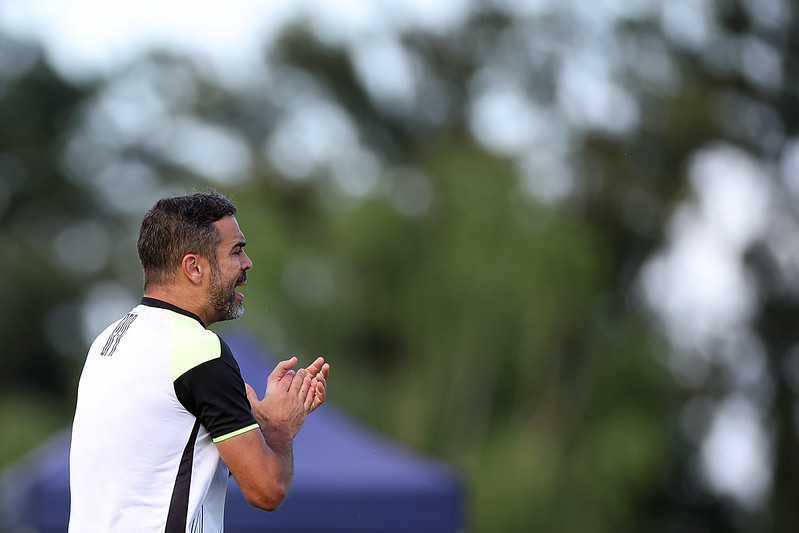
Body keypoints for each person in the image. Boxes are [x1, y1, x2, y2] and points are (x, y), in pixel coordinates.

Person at [68, 191, 329, 532]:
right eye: (236, 250)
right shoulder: (199, 350)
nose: (247, 263)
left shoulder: (108, 339)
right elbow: (267, 490)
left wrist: (259, 426)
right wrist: (280, 427)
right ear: (194, 267)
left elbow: (160, 467)